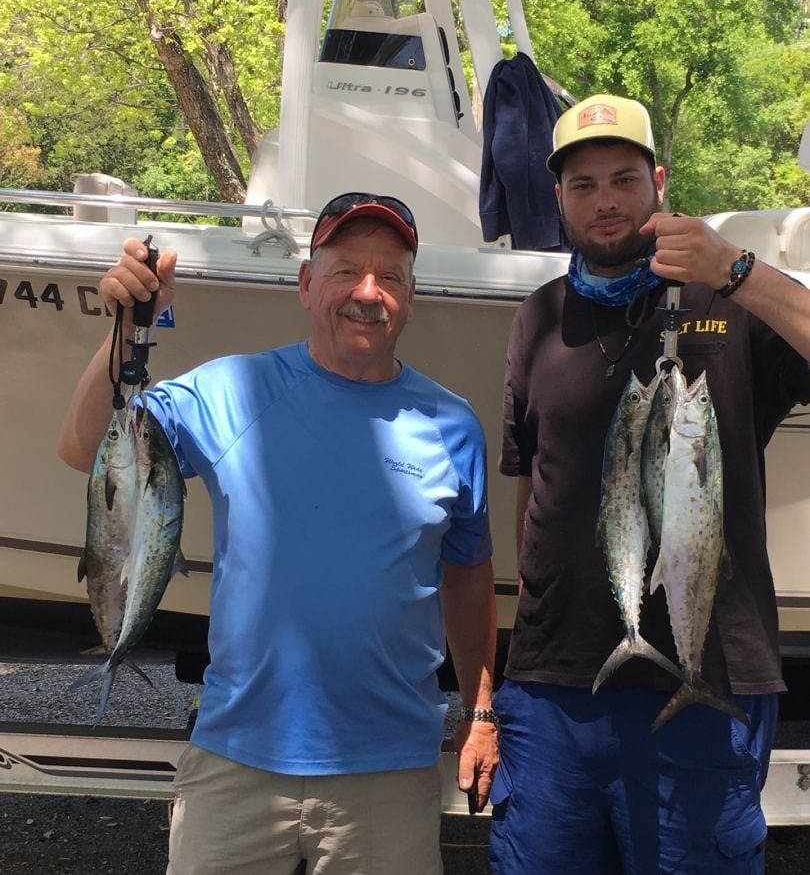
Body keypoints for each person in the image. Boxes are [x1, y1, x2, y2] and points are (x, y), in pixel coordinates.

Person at [57, 192, 499, 875]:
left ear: (411, 297)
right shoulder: (231, 390)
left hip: (386, 769)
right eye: (346, 271)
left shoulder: (453, 424)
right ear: (305, 284)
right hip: (235, 759)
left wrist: (480, 713)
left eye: (390, 276)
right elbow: (87, 448)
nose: (368, 293)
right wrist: (122, 329)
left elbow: (467, 579)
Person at [489, 93, 810, 874]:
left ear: (659, 182)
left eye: (624, 179)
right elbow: (534, 478)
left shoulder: (728, 302)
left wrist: (736, 270)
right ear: (558, 197)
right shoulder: (538, 315)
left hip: (708, 678)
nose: (605, 201)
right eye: (584, 184)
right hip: (553, 687)